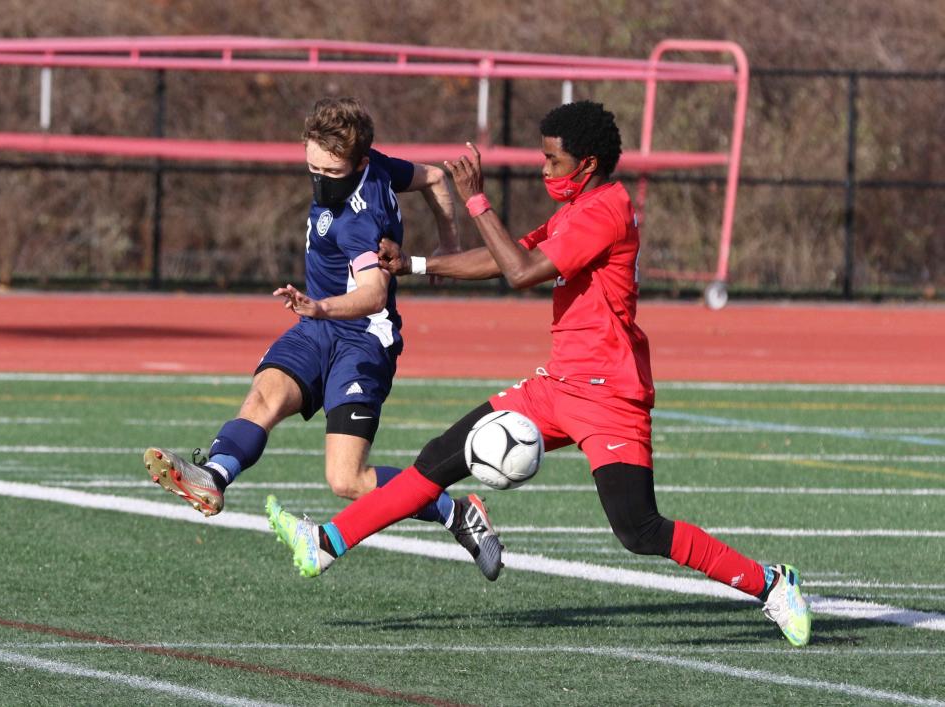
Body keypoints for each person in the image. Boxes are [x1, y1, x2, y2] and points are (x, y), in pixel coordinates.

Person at [264, 100, 811, 646]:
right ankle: (326, 542)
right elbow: (507, 257)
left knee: (638, 528)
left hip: (610, 395)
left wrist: (477, 199)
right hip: (556, 387)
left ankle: (771, 584)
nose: (544, 170)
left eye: (553, 161)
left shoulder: (606, 212)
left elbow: (522, 272)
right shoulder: (578, 208)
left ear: (587, 164)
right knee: (437, 458)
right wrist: (415, 264)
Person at [143, 96, 505, 581]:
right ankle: (214, 475)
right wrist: (448, 242)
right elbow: (436, 178)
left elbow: (374, 294)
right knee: (265, 396)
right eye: (312, 166)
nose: (319, 180)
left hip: (362, 341)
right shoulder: (376, 165)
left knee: (346, 479)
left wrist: (320, 305)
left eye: (331, 172)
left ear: (357, 163)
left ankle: (457, 514)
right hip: (317, 327)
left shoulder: (359, 222)